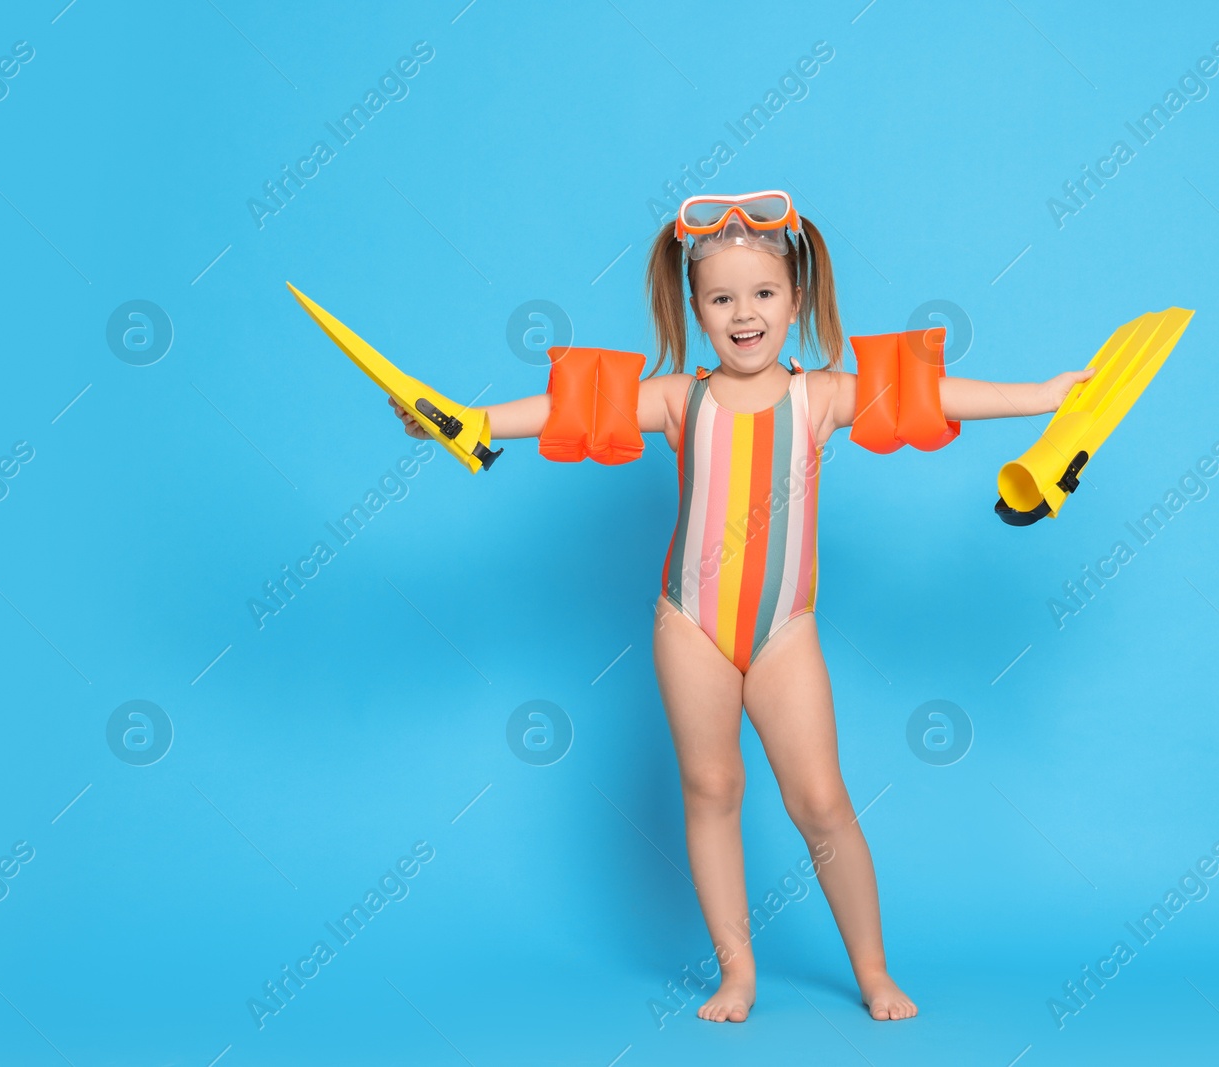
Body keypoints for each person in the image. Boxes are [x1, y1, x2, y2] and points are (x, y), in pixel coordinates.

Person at [388, 190, 1092, 1022]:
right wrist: (465, 420)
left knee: (821, 802)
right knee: (710, 785)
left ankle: (872, 971)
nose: (743, 313)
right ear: (695, 307)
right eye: (721, 298)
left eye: (762, 294)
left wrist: (1042, 396)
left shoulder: (820, 397)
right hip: (691, 624)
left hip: (784, 629)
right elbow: (564, 412)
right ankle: (738, 975)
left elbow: (932, 396)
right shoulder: (677, 399)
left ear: (795, 299)